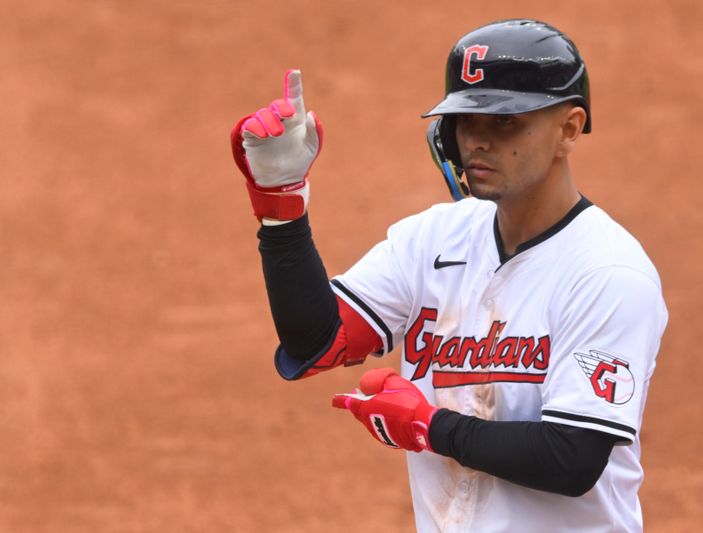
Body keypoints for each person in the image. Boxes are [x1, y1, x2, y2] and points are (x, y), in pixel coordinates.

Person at [230, 19, 668, 533]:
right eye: (465, 120)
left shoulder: (606, 272)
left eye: (505, 123)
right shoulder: (434, 239)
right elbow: (316, 339)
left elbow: (571, 458)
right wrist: (281, 208)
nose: (477, 141)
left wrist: (428, 427)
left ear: (569, 128)